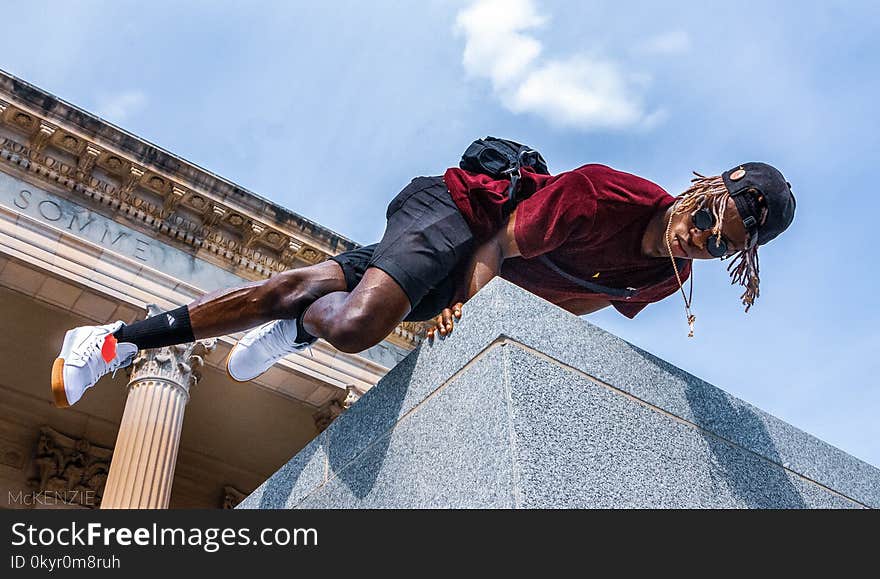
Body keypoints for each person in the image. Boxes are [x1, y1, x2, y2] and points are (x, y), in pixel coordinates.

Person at [50, 161, 796, 408]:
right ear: (705, 188)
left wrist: (496, 332)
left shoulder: (663, 280)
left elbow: (572, 299)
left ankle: (116, 337)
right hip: (459, 216)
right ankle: (308, 327)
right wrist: (473, 309)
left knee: (293, 291)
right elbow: (503, 242)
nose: (697, 240)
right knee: (353, 324)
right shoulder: (604, 192)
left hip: (476, 275)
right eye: (708, 219)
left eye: (717, 247)